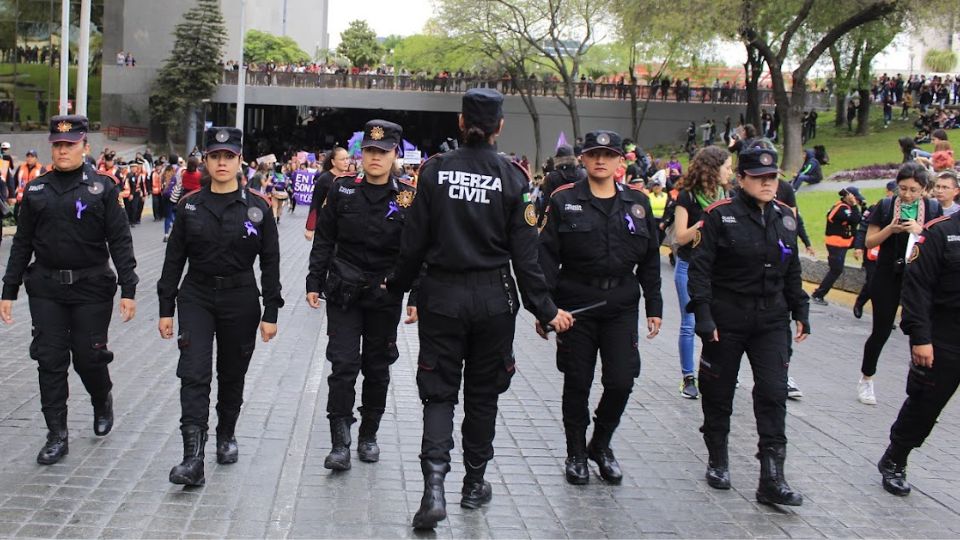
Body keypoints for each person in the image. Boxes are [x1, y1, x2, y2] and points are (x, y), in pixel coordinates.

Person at [385, 89, 573, 529]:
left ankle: (433, 487)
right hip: (493, 299)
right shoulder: (514, 178)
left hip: (441, 297)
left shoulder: (433, 172)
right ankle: (474, 483)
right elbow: (526, 259)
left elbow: (412, 244)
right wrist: (545, 310)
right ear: (500, 127)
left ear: (460, 121)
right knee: (483, 394)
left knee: (439, 391)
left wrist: (395, 287)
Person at [0, 115, 139, 465]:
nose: (63, 150)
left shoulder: (103, 187)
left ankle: (101, 397)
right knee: (49, 359)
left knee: (88, 356)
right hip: (46, 287)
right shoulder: (36, 190)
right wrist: (9, 289)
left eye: (70, 144)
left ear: (85, 147)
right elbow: (23, 243)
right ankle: (56, 435)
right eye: (58, 145)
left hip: (91, 287)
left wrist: (129, 287)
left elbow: (120, 240)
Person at [156, 127, 282, 486]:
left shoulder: (258, 206)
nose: (222, 163)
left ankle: (226, 433)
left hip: (241, 298)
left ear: (240, 160)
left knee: (231, 373)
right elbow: (173, 260)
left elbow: (271, 263)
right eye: (215, 157)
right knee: (193, 372)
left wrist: (271, 312)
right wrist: (166, 307)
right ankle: (192, 457)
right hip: (196, 295)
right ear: (207, 161)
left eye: (229, 156)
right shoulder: (190, 205)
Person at [686, 145, 810, 506]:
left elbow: (793, 270)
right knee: (719, 391)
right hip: (727, 317)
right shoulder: (718, 216)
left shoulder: (786, 217)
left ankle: (772, 477)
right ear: (741, 179)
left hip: (771, 318)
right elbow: (700, 270)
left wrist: (801, 309)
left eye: (772, 178)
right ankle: (718, 459)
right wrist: (704, 316)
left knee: (772, 393)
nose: (768, 183)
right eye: (759, 178)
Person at [537, 130, 663, 485]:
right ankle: (576, 452)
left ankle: (601, 444)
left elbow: (651, 260)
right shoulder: (564, 200)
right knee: (577, 382)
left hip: (621, 304)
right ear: (584, 159)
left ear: (621, 161)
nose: (601, 160)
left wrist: (655, 305)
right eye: (594, 154)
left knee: (622, 380)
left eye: (609, 154)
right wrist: (543, 308)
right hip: (575, 305)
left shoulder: (637, 203)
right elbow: (545, 257)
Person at [305, 120, 418, 471]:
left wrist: (415, 293)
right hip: (344, 290)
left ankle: (369, 433)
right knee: (343, 365)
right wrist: (313, 281)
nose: (375, 158)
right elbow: (324, 239)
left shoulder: (408, 196)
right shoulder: (342, 191)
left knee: (377, 366)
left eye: (383, 152)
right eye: (370, 150)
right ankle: (340, 440)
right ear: (361, 153)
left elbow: (418, 249)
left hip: (385, 293)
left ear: (394, 155)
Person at [876, 201, 960, 496]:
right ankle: (895, 458)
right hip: (944, 336)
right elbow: (917, 287)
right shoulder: (940, 232)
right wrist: (921, 337)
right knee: (926, 404)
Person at [858, 162, 940, 405]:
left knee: (920, 333)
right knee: (881, 330)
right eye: (903, 189)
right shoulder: (884, 206)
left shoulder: (933, 209)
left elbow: (936, 244)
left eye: (914, 190)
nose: (907, 195)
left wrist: (919, 230)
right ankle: (866, 378)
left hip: (919, 278)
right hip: (887, 274)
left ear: (924, 189)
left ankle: (918, 389)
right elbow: (869, 242)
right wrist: (890, 229)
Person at [671, 146, 732, 399]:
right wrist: (704, 223)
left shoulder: (727, 195)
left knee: (720, 322)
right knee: (690, 323)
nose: (731, 172)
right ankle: (688, 377)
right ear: (712, 168)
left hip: (717, 270)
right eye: (727, 167)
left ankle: (716, 372)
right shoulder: (688, 196)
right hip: (688, 267)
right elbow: (679, 236)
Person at [810, 187, 865, 305]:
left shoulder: (847, 207)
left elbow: (859, 220)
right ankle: (818, 294)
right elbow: (855, 219)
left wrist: (861, 206)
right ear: (847, 197)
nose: (856, 201)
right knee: (836, 270)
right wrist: (855, 205)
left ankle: (866, 263)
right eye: (854, 198)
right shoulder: (842, 208)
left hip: (844, 242)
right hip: (836, 244)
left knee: (865, 241)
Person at [304, 146, 350, 241]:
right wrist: (310, 227)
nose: (346, 162)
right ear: (333, 162)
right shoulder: (324, 179)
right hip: (325, 225)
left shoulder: (349, 178)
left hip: (343, 227)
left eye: (347, 158)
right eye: (342, 159)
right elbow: (315, 203)